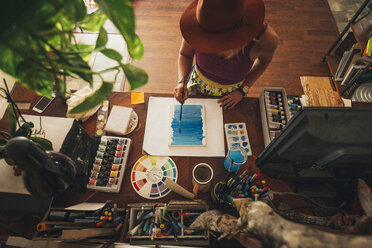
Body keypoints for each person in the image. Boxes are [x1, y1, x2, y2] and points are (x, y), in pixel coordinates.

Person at [174, 0, 279, 109]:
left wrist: (243, 90)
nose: (210, 45)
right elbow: (185, 54)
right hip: (197, 84)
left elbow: (263, 63)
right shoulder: (196, 24)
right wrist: (182, 81)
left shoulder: (267, 40)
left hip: (232, 94)